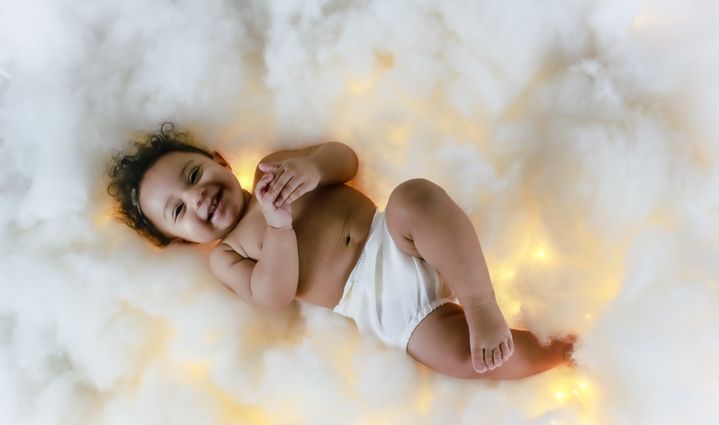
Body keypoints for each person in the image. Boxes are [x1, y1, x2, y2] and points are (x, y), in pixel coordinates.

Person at [107, 123, 577, 380]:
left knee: (415, 196)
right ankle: (563, 352)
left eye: (193, 176)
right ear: (183, 239)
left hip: (392, 236)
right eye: (179, 210)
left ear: (219, 161)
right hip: (385, 309)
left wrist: (312, 168)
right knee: (458, 356)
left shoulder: (274, 169)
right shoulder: (226, 255)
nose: (198, 198)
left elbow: (345, 158)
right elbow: (272, 293)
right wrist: (277, 227)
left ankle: (480, 303)